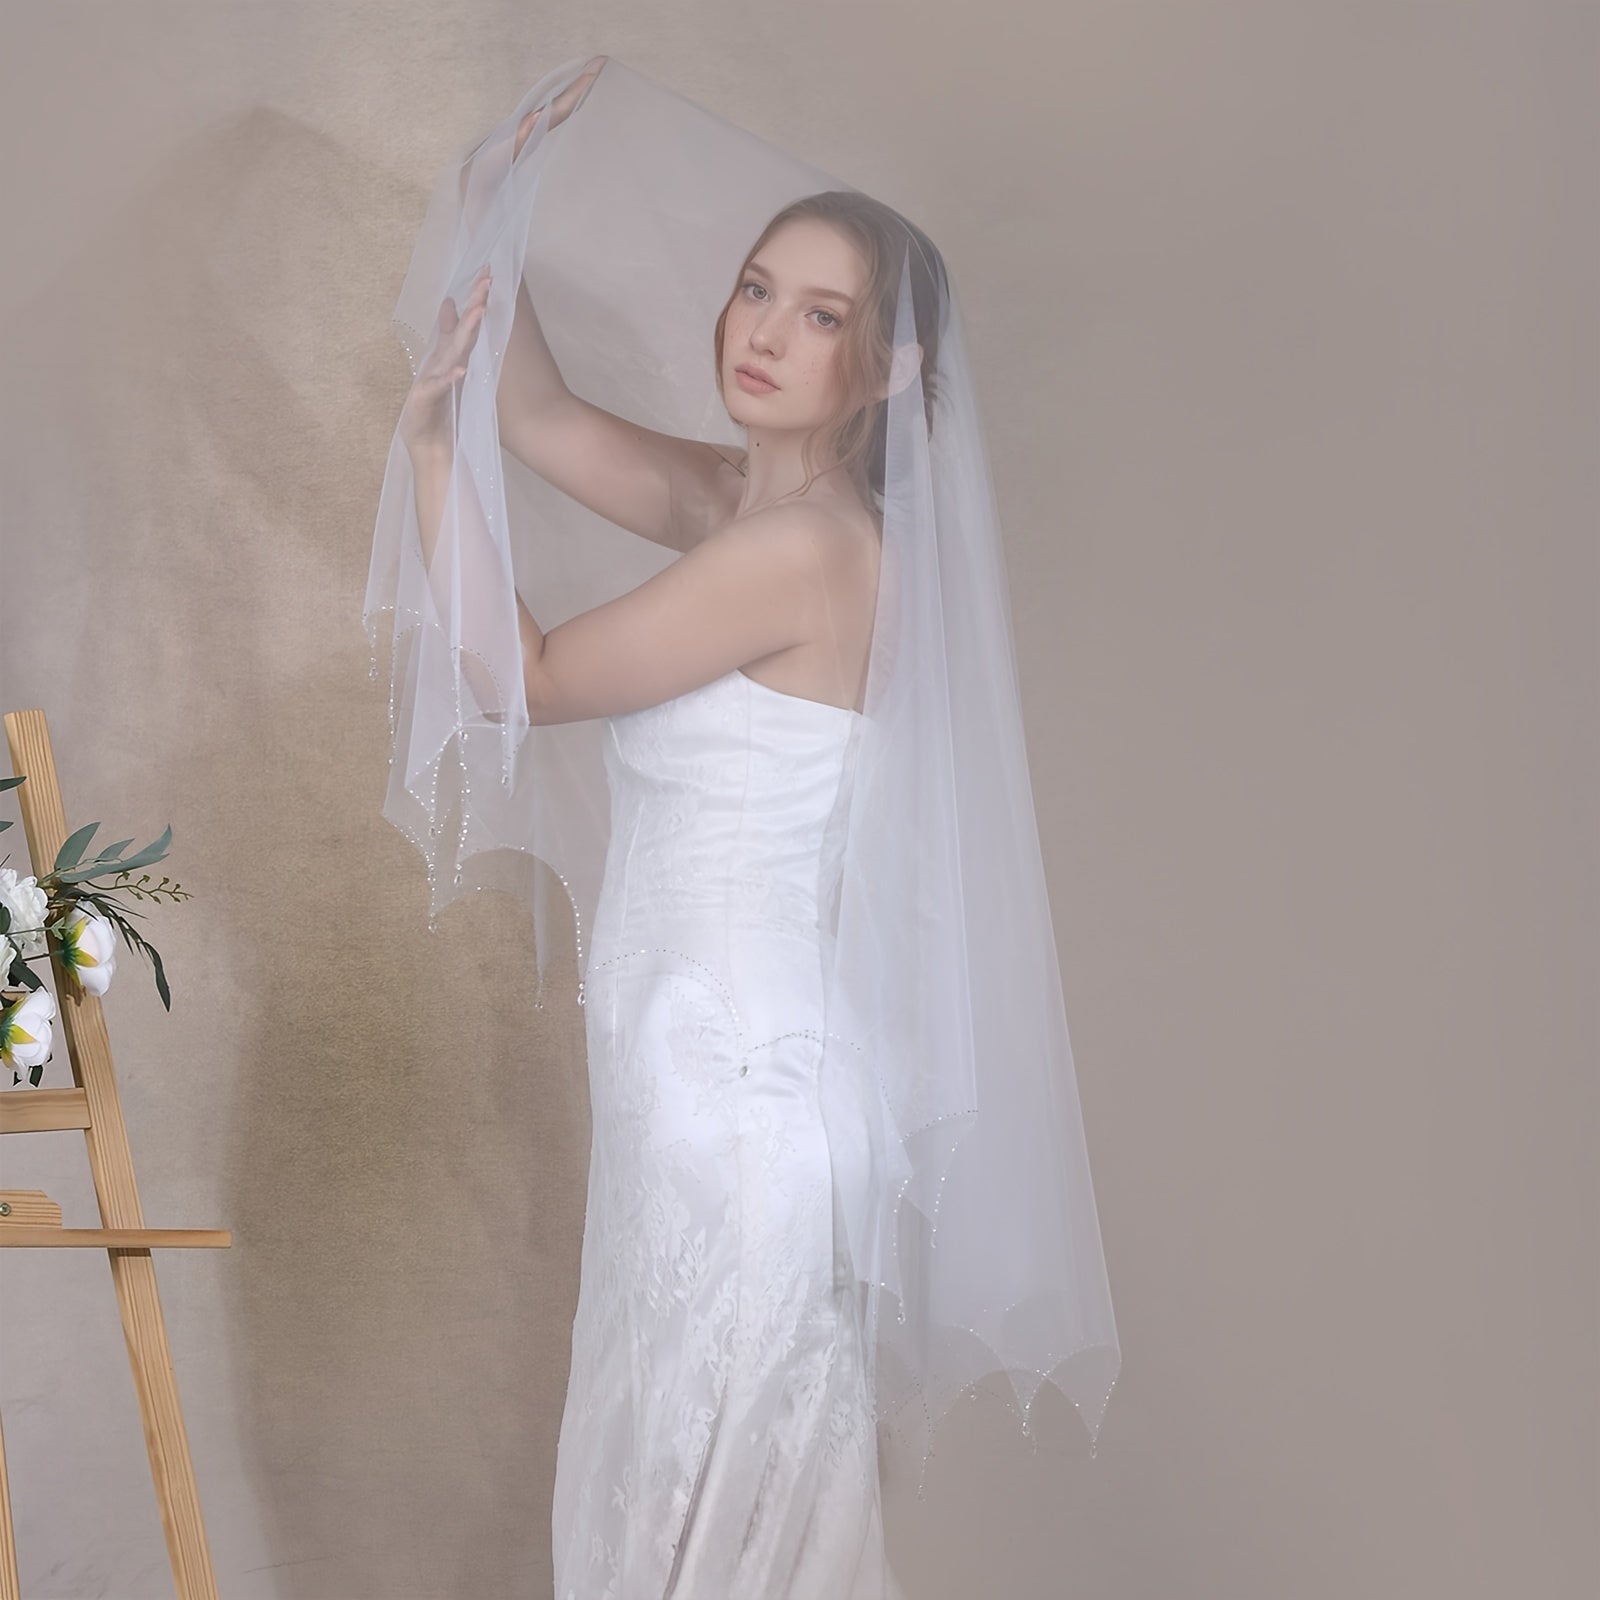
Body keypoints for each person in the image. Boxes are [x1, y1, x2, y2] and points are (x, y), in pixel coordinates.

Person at [366, 54, 1119, 1600]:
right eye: (756, 290)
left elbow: (537, 674)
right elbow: (547, 408)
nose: (764, 332)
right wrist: (491, 201)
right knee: (682, 1486)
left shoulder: (809, 554)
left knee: (696, 1509)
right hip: (705, 1091)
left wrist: (433, 457)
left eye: (822, 315)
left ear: (888, 370)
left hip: (737, 1109)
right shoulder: (744, 502)